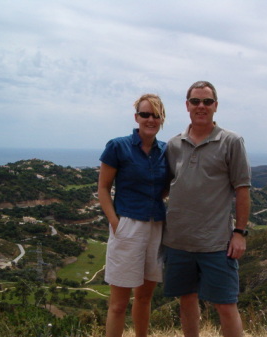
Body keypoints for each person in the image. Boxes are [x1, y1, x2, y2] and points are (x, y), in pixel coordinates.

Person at [163, 81, 251, 337]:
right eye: (195, 101)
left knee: (226, 305)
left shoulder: (231, 141)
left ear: (215, 106)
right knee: (186, 301)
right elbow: (167, 186)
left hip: (216, 242)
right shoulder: (173, 145)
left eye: (207, 101)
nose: (201, 106)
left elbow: (242, 189)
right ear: (187, 105)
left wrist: (240, 233)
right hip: (178, 241)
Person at [98, 94, 168, 337]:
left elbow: (166, 186)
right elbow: (103, 188)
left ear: (161, 119)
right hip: (128, 224)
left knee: (144, 298)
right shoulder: (118, 146)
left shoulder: (165, 151)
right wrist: (116, 224)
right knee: (118, 304)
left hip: (156, 226)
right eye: (145, 114)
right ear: (136, 117)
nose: (150, 119)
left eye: (155, 115)